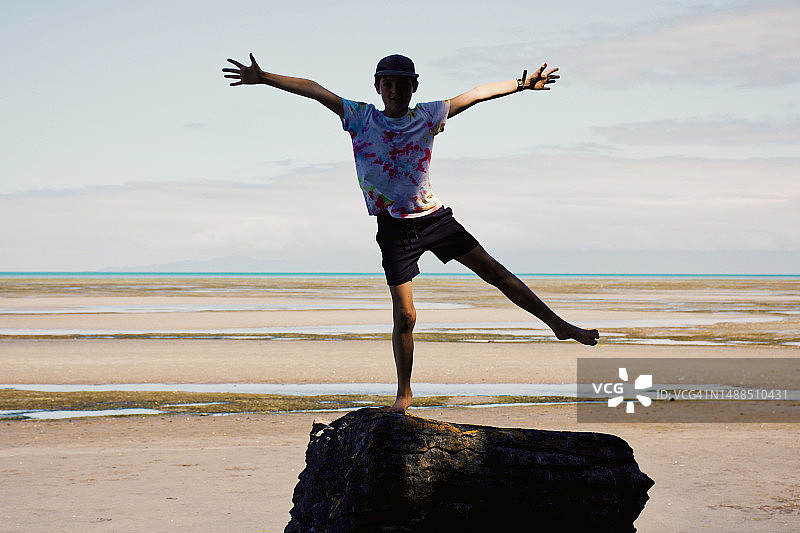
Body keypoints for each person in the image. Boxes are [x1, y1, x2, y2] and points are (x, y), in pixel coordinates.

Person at [223, 53, 599, 413]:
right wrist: (265, 78)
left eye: (403, 85)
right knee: (405, 316)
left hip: (434, 220)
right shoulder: (359, 116)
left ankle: (559, 325)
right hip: (393, 229)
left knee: (496, 273)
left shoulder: (428, 115)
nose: (395, 91)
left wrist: (520, 85)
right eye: (388, 84)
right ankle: (404, 390)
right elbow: (314, 88)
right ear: (377, 87)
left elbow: (475, 94)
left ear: (414, 87)